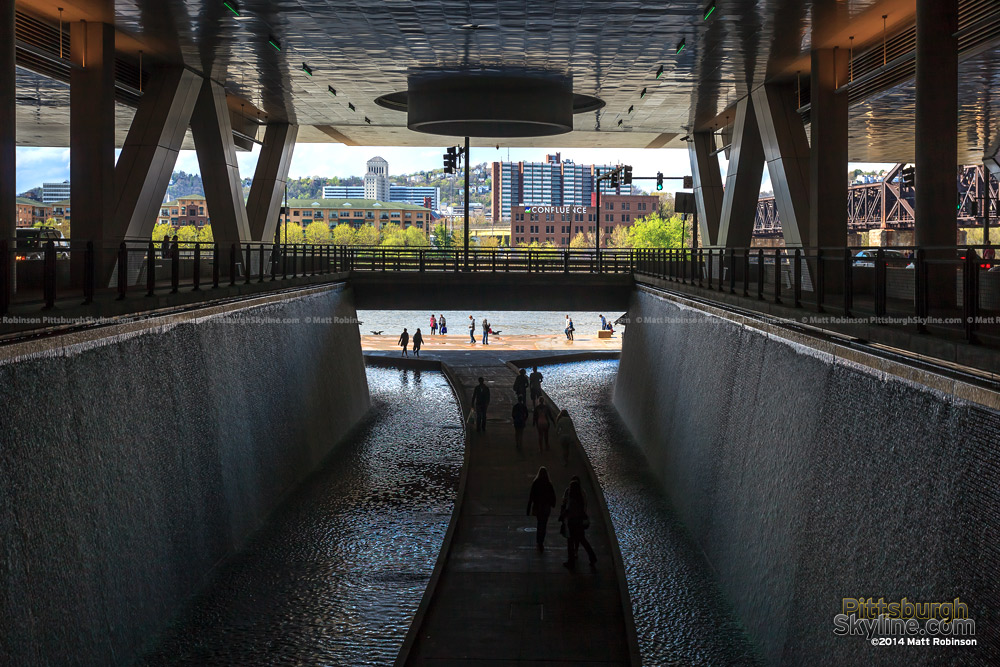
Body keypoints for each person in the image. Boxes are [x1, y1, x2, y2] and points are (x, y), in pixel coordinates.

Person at [560, 476, 596, 570]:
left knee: (570, 542)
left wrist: (562, 516)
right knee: (583, 540)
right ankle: (592, 557)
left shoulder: (572, 500)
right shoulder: (580, 498)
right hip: (579, 523)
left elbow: (568, 510)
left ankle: (571, 562)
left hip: (572, 524)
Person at [526, 466, 556, 551]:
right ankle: (541, 540)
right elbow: (552, 495)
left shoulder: (536, 483)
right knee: (544, 524)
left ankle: (538, 540)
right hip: (546, 507)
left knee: (539, 523)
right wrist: (553, 504)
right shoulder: (548, 484)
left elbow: (531, 496)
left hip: (538, 506)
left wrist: (528, 508)